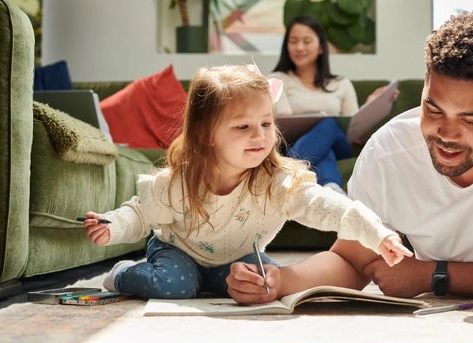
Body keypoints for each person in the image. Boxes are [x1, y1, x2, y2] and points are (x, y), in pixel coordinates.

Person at [227, 11, 473, 303]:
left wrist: (433, 275)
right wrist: (280, 280)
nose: (447, 135)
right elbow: (352, 258)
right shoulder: (389, 152)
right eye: (433, 110)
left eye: (471, 119)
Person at [80, 64, 412, 299]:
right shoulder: (182, 181)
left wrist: (377, 234)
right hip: (178, 252)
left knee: (265, 285)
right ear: (206, 135)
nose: (260, 136)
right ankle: (123, 274)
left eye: (266, 124)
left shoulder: (278, 182)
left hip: (236, 259)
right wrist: (112, 226)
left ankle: (209, 284)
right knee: (175, 286)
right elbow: (139, 214)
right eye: (242, 127)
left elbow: (329, 207)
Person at [270, 16, 394, 195]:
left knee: (328, 124)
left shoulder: (341, 84)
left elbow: (353, 131)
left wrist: (371, 104)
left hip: (337, 144)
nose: (299, 47)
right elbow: (283, 117)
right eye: (293, 41)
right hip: (291, 144)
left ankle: (290, 173)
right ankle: (332, 189)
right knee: (324, 150)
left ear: (321, 47)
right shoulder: (278, 79)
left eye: (306, 41)